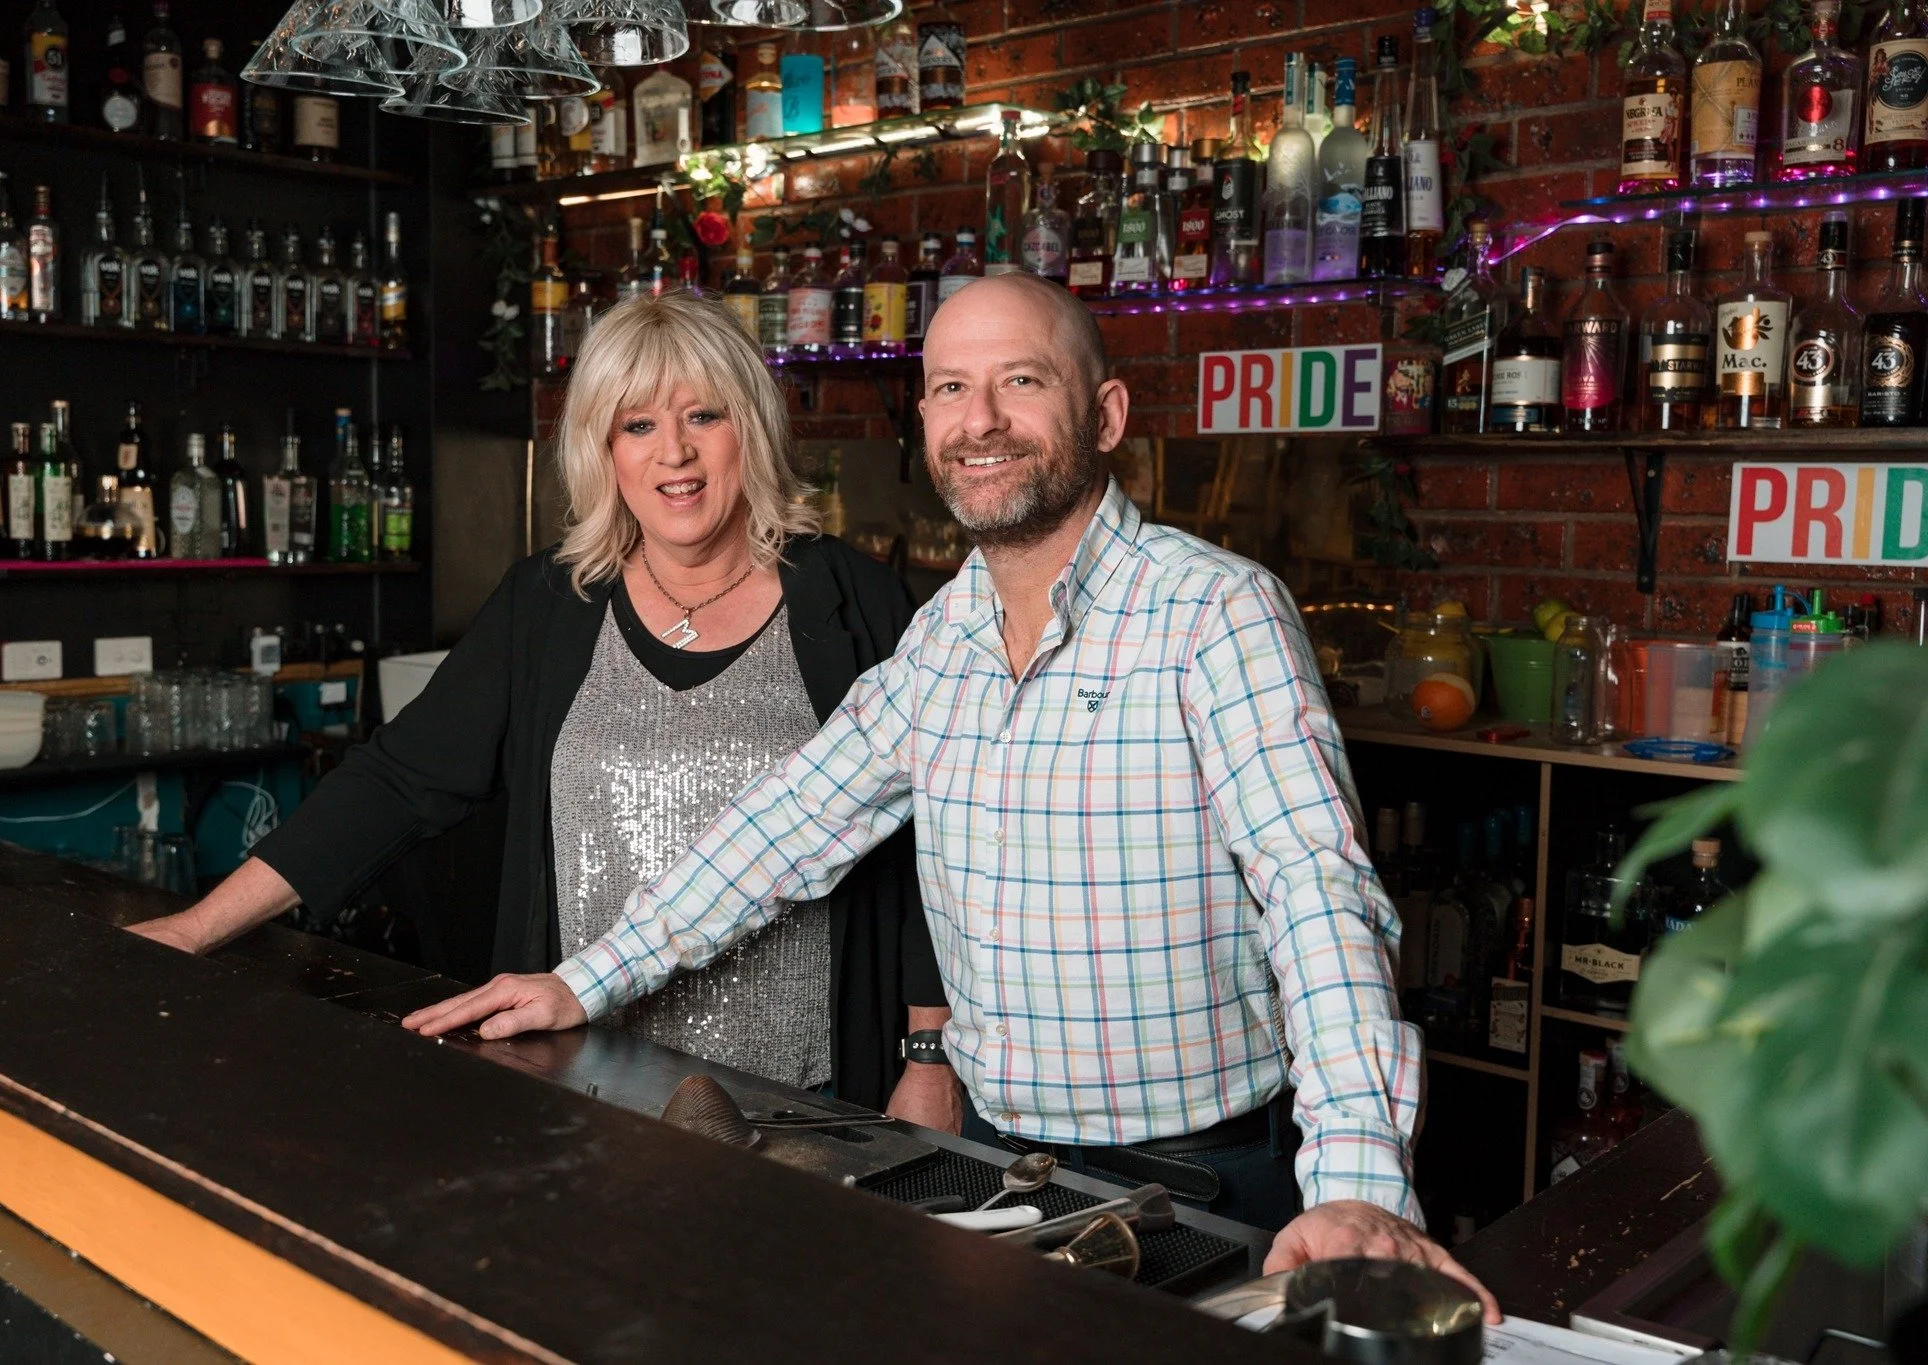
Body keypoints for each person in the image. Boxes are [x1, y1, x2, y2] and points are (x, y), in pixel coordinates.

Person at [402, 272, 1499, 1316]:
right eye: (950, 388)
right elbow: (783, 829)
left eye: (1021, 381)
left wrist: (1358, 1181)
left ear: (1105, 415)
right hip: (995, 1174)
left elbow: (1317, 895)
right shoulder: (943, 638)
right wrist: (582, 981)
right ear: (925, 421)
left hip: (1195, 1183)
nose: (981, 420)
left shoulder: (1214, 614)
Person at [129, 291, 962, 1124]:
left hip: (807, 1093)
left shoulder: (857, 603)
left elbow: (930, 845)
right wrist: (197, 927)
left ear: (752, 425)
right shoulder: (549, 604)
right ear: (604, 449)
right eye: (638, 425)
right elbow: (395, 780)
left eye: (704, 415)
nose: (674, 452)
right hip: (589, 1074)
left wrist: (930, 1056)